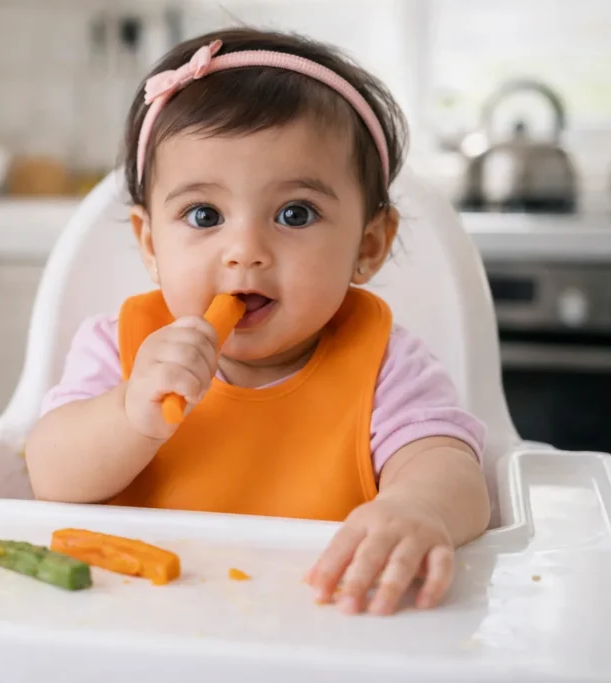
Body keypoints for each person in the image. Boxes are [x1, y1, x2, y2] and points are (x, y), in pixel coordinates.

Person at [25, 28, 490, 616]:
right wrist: (129, 412)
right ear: (150, 243)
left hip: (325, 622)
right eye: (204, 215)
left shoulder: (384, 366)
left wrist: (417, 509)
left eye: (295, 214)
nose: (245, 250)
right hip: (143, 621)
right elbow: (50, 476)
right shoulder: (119, 348)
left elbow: (451, 471)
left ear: (368, 245)